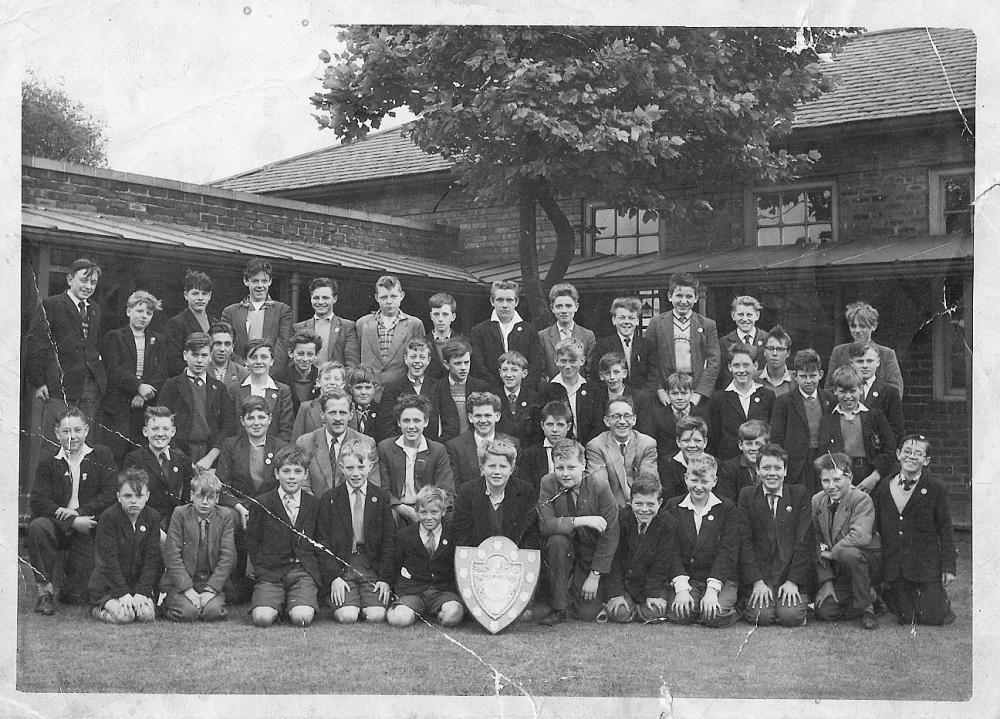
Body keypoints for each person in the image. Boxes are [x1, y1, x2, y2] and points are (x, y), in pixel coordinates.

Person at [28, 407, 118, 613]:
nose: (72, 436)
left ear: (86, 430)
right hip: (58, 526)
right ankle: (45, 593)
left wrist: (79, 512)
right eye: (66, 431)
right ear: (57, 433)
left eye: (77, 430)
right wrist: (71, 520)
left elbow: (111, 492)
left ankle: (68, 580)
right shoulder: (48, 462)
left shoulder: (102, 455)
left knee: (77, 597)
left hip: (89, 527)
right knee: (38, 526)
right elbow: (39, 500)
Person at [872, 435, 957, 625]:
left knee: (932, 618)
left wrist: (949, 567)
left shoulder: (936, 489)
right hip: (895, 567)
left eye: (918, 453)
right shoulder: (884, 487)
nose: (911, 457)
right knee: (905, 617)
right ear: (898, 454)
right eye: (907, 452)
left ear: (926, 460)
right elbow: (876, 525)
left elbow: (945, 529)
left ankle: (940, 600)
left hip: (925, 565)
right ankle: (891, 594)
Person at [26, 258, 108, 448]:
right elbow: (36, 344)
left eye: (93, 282)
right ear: (70, 280)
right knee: (56, 443)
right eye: (84, 280)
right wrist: (38, 382)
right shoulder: (51, 305)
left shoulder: (94, 310)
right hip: (60, 386)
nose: (88, 286)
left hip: (89, 388)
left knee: (85, 445)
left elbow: (95, 346)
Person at [537, 439, 619, 626]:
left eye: (571, 467)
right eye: (560, 468)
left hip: (590, 554)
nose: (565, 474)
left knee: (587, 613)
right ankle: (558, 607)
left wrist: (595, 575)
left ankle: (577, 592)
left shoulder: (600, 485)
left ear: (583, 465)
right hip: (563, 550)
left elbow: (611, 533)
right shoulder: (548, 483)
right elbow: (546, 525)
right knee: (557, 540)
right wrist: (581, 521)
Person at [216, 396, 288, 602]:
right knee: (227, 517)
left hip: (270, 506)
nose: (256, 422)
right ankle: (233, 582)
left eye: (261, 417)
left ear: (270, 419)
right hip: (240, 506)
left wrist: (260, 507)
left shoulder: (281, 445)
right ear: (242, 421)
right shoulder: (231, 445)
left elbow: (283, 484)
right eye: (250, 418)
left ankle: (266, 581)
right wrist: (239, 507)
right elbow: (222, 485)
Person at [316, 439, 396, 624]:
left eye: (361, 467)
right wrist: (334, 577)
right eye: (350, 468)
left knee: (376, 615)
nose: (356, 473)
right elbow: (323, 541)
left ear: (370, 466)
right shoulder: (330, 498)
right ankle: (348, 601)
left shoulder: (381, 497)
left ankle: (363, 600)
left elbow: (388, 541)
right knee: (348, 616)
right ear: (341, 467)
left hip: (369, 564)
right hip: (343, 564)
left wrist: (385, 579)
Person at [736, 444, 814, 627]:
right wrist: (757, 582)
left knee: (790, 617)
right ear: (757, 470)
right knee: (761, 617)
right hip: (761, 576)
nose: (772, 473)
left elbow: (804, 542)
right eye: (766, 468)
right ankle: (758, 601)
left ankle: (795, 602)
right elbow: (744, 542)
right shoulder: (747, 495)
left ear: (785, 471)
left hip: (789, 575)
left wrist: (793, 581)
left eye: (778, 468)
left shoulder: (799, 494)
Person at [245, 445, 322, 627]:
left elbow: (321, 542)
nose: (292, 476)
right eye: (286, 471)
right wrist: (263, 570)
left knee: (301, 618)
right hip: (271, 573)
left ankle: (296, 604)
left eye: (297, 471)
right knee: (262, 618)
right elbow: (253, 542)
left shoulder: (314, 504)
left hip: (302, 572)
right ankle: (274, 605)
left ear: (305, 475)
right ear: (277, 474)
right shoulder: (262, 503)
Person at [664, 455, 740, 627]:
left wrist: (712, 591)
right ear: (686, 478)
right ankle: (697, 605)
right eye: (694, 480)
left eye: (704, 481)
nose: (698, 487)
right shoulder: (673, 506)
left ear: (714, 481)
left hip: (719, 578)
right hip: (688, 577)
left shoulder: (726, 508)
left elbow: (727, 551)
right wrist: (682, 589)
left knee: (714, 615)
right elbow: (670, 550)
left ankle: (727, 606)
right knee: (680, 615)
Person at [811, 453, 882, 630]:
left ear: (849, 477)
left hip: (865, 561)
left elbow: (860, 536)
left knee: (848, 552)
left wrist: (832, 552)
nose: (831, 486)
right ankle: (871, 596)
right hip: (840, 568)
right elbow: (816, 541)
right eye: (826, 481)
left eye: (837, 479)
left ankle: (867, 609)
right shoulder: (817, 500)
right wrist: (826, 581)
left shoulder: (861, 499)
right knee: (825, 612)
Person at [100, 290, 170, 462]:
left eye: (149, 313)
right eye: (139, 311)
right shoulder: (115, 337)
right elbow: (114, 369)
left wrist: (143, 395)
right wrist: (138, 386)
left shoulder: (158, 340)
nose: (144, 316)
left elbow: (161, 372)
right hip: (119, 407)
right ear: (128, 311)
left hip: (146, 406)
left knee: (142, 456)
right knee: (116, 454)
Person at [160, 470, 237, 622]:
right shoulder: (180, 514)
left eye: (210, 497)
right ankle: (168, 604)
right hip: (183, 582)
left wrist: (211, 590)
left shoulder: (225, 516)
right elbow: (172, 555)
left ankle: (205, 602)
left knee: (213, 613)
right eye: (200, 496)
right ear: (191, 496)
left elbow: (228, 557)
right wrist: (188, 590)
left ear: (217, 498)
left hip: (209, 581)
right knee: (189, 613)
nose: (204, 502)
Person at [88, 467, 162, 624]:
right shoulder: (109, 517)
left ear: (147, 496)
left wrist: (142, 592)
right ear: (118, 496)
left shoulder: (153, 517)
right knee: (124, 616)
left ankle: (138, 600)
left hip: (137, 585)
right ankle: (97, 609)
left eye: (139, 495)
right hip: (108, 585)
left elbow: (152, 559)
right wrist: (122, 593)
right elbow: (109, 560)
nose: (134, 501)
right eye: (128, 496)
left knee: (146, 615)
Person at [386, 485, 465, 628]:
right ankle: (401, 610)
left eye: (434, 512)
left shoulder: (452, 536)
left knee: (453, 616)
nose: (429, 517)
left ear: (443, 511)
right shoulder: (404, 536)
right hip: (413, 591)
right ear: (416, 511)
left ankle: (438, 613)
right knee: (399, 619)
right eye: (423, 512)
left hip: (442, 591)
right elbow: (394, 565)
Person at [158, 332, 236, 469]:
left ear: (210, 357)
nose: (199, 360)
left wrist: (211, 457)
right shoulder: (172, 385)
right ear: (184, 355)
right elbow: (162, 420)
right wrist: (179, 455)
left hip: (210, 454)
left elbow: (228, 425)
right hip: (178, 452)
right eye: (195, 355)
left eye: (204, 355)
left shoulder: (219, 388)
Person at [603, 474, 674, 623]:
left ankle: (639, 607)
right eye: (639, 504)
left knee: (653, 613)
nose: (644, 510)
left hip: (650, 581)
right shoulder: (620, 520)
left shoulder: (667, 523)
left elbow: (662, 562)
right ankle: (625, 605)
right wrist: (616, 594)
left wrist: (652, 594)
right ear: (630, 502)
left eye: (650, 504)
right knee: (620, 613)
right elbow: (613, 560)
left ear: (660, 503)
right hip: (625, 582)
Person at [644, 272, 720, 408]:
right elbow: (650, 360)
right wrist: (659, 389)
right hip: (666, 391)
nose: (684, 301)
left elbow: (714, 363)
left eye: (689, 296)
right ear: (669, 296)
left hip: (695, 390)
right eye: (679, 295)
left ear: (696, 298)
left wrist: (699, 393)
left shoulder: (708, 325)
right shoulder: (656, 323)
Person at [377, 394, 455, 525]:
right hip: (398, 510)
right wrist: (403, 509)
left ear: (426, 422)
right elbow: (382, 490)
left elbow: (446, 491)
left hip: (429, 510)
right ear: (398, 422)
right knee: (388, 516)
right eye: (406, 421)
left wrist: (426, 512)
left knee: (451, 518)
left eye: (417, 421)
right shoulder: (385, 448)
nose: (411, 426)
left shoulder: (437, 450)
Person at [818, 366, 896, 493]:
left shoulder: (875, 416)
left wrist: (875, 477)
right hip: (840, 477)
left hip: (869, 474)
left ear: (860, 389)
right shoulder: (828, 420)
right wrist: (840, 480)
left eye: (852, 391)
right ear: (835, 391)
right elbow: (825, 454)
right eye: (843, 391)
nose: (848, 396)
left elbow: (889, 449)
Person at [451, 438, 539, 549]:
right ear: (482, 468)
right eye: (491, 466)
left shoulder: (525, 491)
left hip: (513, 558)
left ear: (512, 469)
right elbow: (460, 533)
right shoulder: (467, 491)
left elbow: (530, 534)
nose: (497, 472)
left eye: (503, 466)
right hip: (477, 558)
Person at [769, 349, 835, 494]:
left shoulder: (829, 399)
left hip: (823, 458)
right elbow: (777, 438)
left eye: (813, 376)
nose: (808, 381)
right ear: (795, 376)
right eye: (803, 376)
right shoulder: (784, 402)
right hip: (797, 463)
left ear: (821, 375)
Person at [123, 406, 194, 535]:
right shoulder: (134, 459)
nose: (160, 434)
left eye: (166, 429)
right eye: (155, 429)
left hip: (176, 527)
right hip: (145, 527)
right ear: (145, 431)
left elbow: (186, 501)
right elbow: (133, 501)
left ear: (173, 431)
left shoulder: (182, 460)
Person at [296, 388, 378, 497]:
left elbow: (373, 486)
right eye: (332, 413)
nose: (338, 418)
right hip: (316, 509)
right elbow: (302, 486)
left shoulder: (366, 443)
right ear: (322, 415)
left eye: (343, 413)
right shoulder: (305, 443)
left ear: (351, 415)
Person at [376, 337, 459, 443]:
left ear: (428, 360)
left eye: (422, 357)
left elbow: (451, 424)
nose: (417, 361)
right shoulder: (392, 389)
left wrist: (437, 447)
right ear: (405, 359)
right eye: (413, 357)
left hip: (432, 451)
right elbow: (385, 427)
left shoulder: (440, 387)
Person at [220, 257, 294, 375]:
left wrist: (268, 371)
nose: (260, 285)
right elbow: (227, 344)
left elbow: (283, 346)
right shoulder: (230, 312)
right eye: (255, 281)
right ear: (246, 281)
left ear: (270, 282)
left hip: (271, 374)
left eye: (264, 281)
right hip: (240, 374)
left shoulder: (282, 311)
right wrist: (242, 368)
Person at [469, 280, 545, 394]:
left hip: (524, 393)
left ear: (516, 302)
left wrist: (520, 390)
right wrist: (499, 390)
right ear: (492, 301)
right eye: (500, 300)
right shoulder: (479, 331)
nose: (505, 305)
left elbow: (536, 365)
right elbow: (479, 366)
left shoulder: (530, 330)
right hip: (491, 393)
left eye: (509, 300)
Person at [355, 275, 426, 386]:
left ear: (401, 296)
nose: (389, 301)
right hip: (370, 390)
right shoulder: (362, 324)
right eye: (384, 297)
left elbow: (420, 359)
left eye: (393, 296)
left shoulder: (415, 324)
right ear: (376, 297)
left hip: (400, 390)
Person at [586, 398, 658, 507]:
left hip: (639, 505)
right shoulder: (596, 446)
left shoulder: (647, 444)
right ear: (606, 421)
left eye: (627, 416)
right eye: (616, 416)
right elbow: (600, 487)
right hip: (611, 507)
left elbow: (648, 483)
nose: (622, 421)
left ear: (634, 420)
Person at [708, 344, 775, 461]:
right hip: (728, 464)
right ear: (729, 367)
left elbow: (772, 433)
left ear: (755, 365)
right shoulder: (718, 398)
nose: (741, 370)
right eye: (736, 366)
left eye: (746, 365)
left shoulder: (768, 396)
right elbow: (714, 437)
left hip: (761, 462)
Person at [826, 301, 904, 397]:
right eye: (853, 326)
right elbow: (829, 389)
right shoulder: (839, 352)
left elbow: (896, 391)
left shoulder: (887, 354)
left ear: (873, 326)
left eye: (862, 326)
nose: (857, 330)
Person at [446, 392, 519, 487]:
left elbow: (515, 483)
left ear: (497, 416)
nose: (483, 420)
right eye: (478, 416)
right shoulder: (455, 447)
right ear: (470, 417)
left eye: (488, 415)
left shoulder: (513, 444)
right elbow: (456, 486)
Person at [537, 338, 598, 443]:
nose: (568, 366)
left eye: (573, 361)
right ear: (556, 360)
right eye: (563, 361)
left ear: (582, 360)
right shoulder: (546, 389)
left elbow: (597, 423)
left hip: (589, 447)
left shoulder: (593, 389)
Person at [231, 339, 294, 441]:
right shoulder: (234, 390)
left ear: (272, 361)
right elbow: (230, 427)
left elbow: (286, 429)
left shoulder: (283, 391)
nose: (259, 361)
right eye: (253, 357)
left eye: (264, 357)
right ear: (246, 361)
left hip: (274, 452)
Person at [292, 277, 359, 367]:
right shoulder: (299, 328)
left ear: (334, 299)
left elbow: (352, 365)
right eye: (316, 298)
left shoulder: (347, 327)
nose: (320, 302)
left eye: (325, 298)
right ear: (311, 299)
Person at [848, 340, 905, 444]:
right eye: (860, 361)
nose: (865, 365)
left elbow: (896, 431)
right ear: (851, 363)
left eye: (869, 361)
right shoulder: (844, 391)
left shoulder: (889, 392)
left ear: (878, 362)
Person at [538, 283, 597, 381]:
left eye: (568, 306)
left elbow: (590, 371)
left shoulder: (588, 335)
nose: (564, 311)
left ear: (576, 307)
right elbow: (541, 371)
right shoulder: (543, 336)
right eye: (559, 306)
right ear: (552, 308)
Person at [164, 270, 217, 376]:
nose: (200, 298)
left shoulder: (215, 323)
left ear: (210, 296)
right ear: (186, 295)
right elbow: (173, 361)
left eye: (204, 294)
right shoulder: (176, 323)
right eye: (195, 293)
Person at [650, 371, 709, 466]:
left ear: (691, 393)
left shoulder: (702, 415)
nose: (679, 398)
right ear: (667, 393)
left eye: (684, 393)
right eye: (675, 393)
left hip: (696, 465)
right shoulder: (658, 415)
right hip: (667, 465)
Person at [591, 352, 655, 438]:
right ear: (601, 376)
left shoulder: (640, 398)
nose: (612, 377)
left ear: (624, 373)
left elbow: (645, 431)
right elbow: (596, 430)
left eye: (616, 372)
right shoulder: (596, 398)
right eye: (607, 373)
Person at [518, 400, 573, 499]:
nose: (554, 430)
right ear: (542, 425)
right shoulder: (530, 455)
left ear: (568, 426)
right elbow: (527, 489)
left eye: (560, 425)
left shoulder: (577, 451)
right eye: (550, 424)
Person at [590, 297, 648, 389]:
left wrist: (642, 397)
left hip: (641, 398)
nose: (626, 322)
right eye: (622, 318)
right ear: (614, 320)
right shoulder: (603, 345)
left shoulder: (647, 345)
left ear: (637, 321)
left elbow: (653, 376)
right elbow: (596, 375)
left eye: (631, 318)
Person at [440, 337, 491, 436]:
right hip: (446, 444)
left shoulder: (482, 388)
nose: (463, 368)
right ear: (446, 364)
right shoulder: (437, 388)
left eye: (466, 362)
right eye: (458, 364)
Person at [717, 295, 767, 388]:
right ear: (733, 316)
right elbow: (720, 377)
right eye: (740, 315)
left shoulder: (767, 340)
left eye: (749, 315)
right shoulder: (724, 343)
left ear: (757, 316)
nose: (744, 319)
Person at [290, 360, 346, 442]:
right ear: (318, 382)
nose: (332, 382)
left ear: (343, 384)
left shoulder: (348, 408)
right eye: (327, 379)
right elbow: (296, 440)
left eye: (336, 379)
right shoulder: (306, 408)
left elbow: (352, 439)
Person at [714, 419, 768, 502]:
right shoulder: (729, 469)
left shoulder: (772, 466)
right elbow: (728, 503)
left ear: (766, 445)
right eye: (749, 444)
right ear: (740, 445)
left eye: (758, 444)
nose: (753, 448)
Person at [658, 415, 710, 500]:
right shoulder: (667, 464)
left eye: (697, 440)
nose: (692, 445)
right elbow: (669, 497)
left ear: (705, 442)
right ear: (678, 442)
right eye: (686, 441)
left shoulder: (715, 464)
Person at [495, 350, 539, 445]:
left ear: (524, 373)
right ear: (500, 373)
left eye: (514, 370)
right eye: (505, 370)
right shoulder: (493, 397)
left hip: (527, 451)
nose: (509, 375)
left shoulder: (533, 398)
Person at [275, 330, 321, 417]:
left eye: (310, 354)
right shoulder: (279, 378)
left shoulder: (321, 378)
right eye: (300, 354)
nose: (305, 359)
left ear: (316, 355)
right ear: (291, 353)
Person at [426, 292, 461, 382]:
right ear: (431, 316)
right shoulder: (424, 343)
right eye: (436, 314)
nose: (440, 319)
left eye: (445, 314)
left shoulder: (464, 342)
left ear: (453, 317)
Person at [206, 321, 249, 395]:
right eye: (217, 343)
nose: (222, 349)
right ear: (209, 344)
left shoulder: (242, 373)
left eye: (227, 344)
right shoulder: (201, 370)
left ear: (233, 346)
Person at [755, 326, 795, 397]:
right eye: (770, 348)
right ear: (764, 351)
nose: (774, 353)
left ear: (788, 353)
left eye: (780, 349)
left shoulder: (796, 380)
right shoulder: (753, 379)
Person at [345, 363, 380, 439]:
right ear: (351, 389)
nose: (363, 392)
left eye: (368, 387)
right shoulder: (345, 410)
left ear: (375, 388)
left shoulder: (381, 411)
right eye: (358, 388)